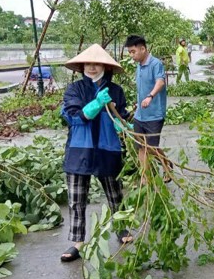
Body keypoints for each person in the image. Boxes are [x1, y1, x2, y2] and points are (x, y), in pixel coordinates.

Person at [60, 44, 131, 262]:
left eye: (96, 63)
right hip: (79, 150)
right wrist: (97, 104)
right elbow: (72, 117)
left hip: (107, 149)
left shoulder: (116, 91)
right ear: (82, 66)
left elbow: (122, 116)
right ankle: (78, 242)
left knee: (115, 194)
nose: (92, 67)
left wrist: (125, 125)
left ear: (105, 66)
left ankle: (121, 229)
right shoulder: (75, 90)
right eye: (88, 63)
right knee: (76, 198)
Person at [125, 35, 171, 182]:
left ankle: (166, 166)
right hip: (140, 115)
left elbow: (160, 82)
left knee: (151, 147)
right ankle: (145, 178)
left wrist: (150, 96)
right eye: (130, 52)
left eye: (133, 52)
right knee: (141, 147)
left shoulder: (155, 63)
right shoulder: (138, 65)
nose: (131, 55)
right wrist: (138, 102)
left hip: (154, 115)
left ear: (143, 49)